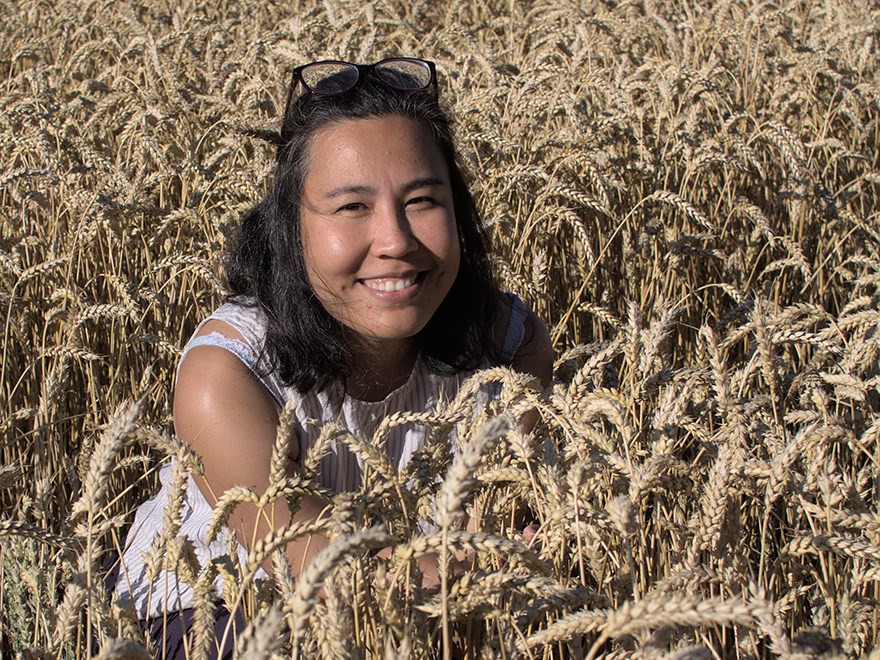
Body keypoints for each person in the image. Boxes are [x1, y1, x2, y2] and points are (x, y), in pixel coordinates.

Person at [113, 57, 553, 657]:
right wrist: (484, 560)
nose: (397, 240)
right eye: (352, 208)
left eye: (423, 199)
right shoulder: (229, 374)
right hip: (220, 607)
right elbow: (328, 574)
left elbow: (500, 524)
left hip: (428, 607)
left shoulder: (508, 347)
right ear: (291, 228)